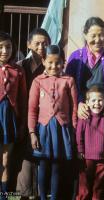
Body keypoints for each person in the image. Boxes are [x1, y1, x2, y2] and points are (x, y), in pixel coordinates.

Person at [66, 17, 104, 197]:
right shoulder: (75, 57)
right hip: (82, 117)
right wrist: (79, 104)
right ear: (85, 35)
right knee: (82, 166)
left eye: (101, 35)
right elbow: (67, 85)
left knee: (103, 169)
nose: (97, 40)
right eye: (93, 35)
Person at [28, 45, 77, 200]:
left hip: (62, 129)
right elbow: (32, 109)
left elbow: (75, 108)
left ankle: (54, 197)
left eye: (58, 63)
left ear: (63, 62)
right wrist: (32, 133)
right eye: (50, 62)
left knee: (57, 166)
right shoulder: (38, 81)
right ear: (43, 61)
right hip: (43, 129)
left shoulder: (68, 81)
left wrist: (74, 130)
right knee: (43, 165)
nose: (53, 66)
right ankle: (43, 197)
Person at [16, 28, 51, 199]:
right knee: (22, 158)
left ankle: (38, 194)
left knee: (40, 156)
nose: (41, 47)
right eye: (37, 43)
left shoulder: (52, 67)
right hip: (22, 118)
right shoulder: (20, 67)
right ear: (28, 44)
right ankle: (17, 194)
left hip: (44, 120)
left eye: (45, 43)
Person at [76, 85, 104, 200]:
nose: (97, 103)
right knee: (84, 185)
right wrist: (80, 150)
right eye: (93, 100)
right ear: (87, 102)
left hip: (101, 158)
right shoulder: (84, 117)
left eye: (100, 100)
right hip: (86, 158)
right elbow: (79, 135)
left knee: (99, 185)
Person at [0, 31, 27, 199]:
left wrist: (23, 122)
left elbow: (23, 98)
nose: (4, 51)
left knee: (6, 158)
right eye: (1, 47)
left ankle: (4, 195)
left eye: (8, 47)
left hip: (9, 118)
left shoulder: (18, 70)